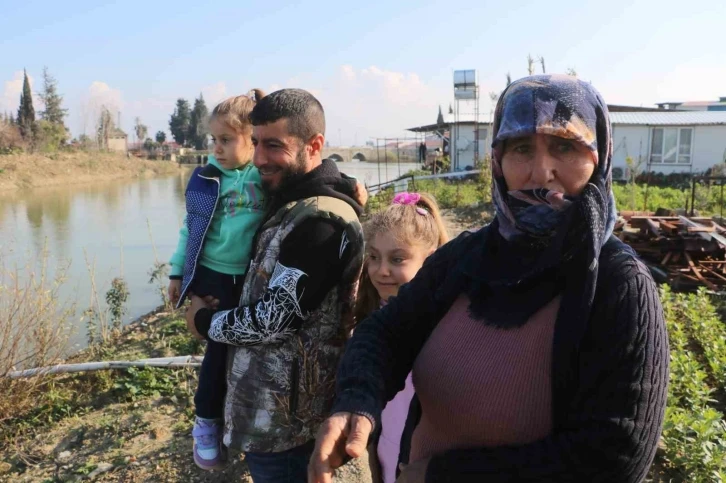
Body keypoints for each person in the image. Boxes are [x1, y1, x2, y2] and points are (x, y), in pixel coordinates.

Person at [309, 74, 669, 483]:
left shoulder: (617, 285)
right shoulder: (469, 256)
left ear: (599, 156)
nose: (541, 171)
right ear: (497, 160)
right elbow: (387, 331)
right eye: (520, 148)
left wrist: (444, 475)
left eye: (565, 146)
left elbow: (615, 456)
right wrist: (357, 400)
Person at [185, 88, 365, 483]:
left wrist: (203, 321)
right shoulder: (292, 198)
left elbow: (272, 321)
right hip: (266, 417)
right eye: (254, 143)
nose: (260, 158)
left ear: (314, 145)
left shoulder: (321, 222)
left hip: (290, 431)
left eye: (273, 145)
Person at [167, 90, 267, 470]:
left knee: (251, 351)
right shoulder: (206, 178)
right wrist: (178, 272)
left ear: (251, 138)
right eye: (214, 139)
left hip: (251, 278)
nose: (217, 148)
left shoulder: (265, 174)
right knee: (218, 351)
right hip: (212, 277)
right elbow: (189, 229)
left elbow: (306, 176)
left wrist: (344, 185)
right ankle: (205, 422)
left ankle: (242, 421)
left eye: (227, 139)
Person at [353, 192, 448, 483]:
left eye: (397, 259)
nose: (381, 271)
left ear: (431, 261)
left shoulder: (444, 326)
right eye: (373, 257)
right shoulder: (373, 314)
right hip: (386, 448)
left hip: (420, 460)